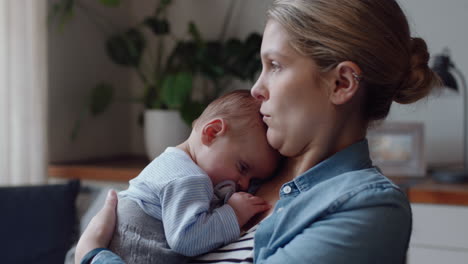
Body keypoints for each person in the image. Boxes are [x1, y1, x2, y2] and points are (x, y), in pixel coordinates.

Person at [75, 0, 441, 263]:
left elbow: (96, 245)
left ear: (341, 83)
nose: (256, 88)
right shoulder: (238, 170)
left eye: (275, 65)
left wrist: (93, 256)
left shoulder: (369, 210)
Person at [104, 90, 280, 263]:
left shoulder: (171, 161)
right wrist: (234, 213)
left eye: (253, 180)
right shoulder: (190, 178)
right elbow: (187, 239)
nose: (244, 184)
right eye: (243, 167)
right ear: (212, 133)